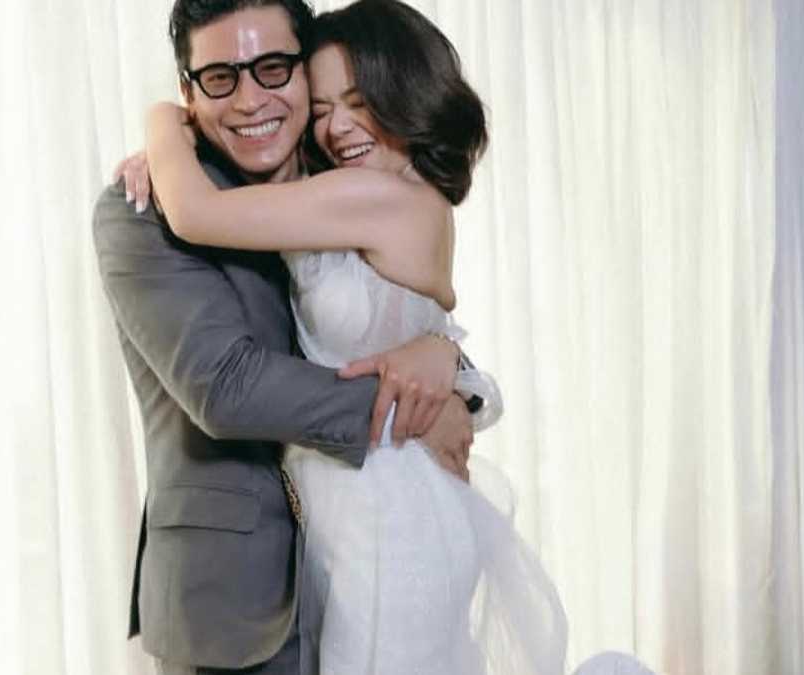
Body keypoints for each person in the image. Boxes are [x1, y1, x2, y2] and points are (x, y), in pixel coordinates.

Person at [134, 1, 657, 674]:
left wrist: (162, 121)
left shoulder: (380, 200)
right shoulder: (347, 192)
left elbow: (195, 211)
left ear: (407, 95)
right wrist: (447, 365)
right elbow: (412, 333)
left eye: (361, 103)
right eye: (324, 108)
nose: (337, 126)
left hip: (389, 513)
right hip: (358, 506)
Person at [92, 1, 484, 673]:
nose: (251, 99)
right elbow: (227, 387)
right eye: (221, 77)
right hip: (235, 595)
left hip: (378, 537)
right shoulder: (144, 207)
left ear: (302, 72)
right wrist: (413, 412)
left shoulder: (352, 186)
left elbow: (409, 324)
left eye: (273, 68)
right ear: (189, 91)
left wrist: (451, 368)